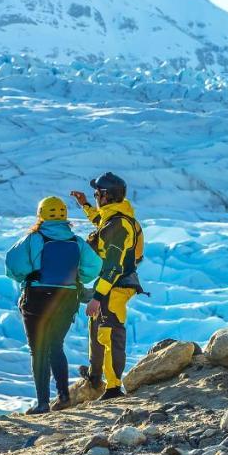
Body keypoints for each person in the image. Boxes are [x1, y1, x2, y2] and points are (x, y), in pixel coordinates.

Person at [4, 196, 101, 414]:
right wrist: (76, 278)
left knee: (38, 349)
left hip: (36, 297)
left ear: (41, 215)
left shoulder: (33, 239)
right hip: (66, 298)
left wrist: (28, 276)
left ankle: (42, 403)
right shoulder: (76, 242)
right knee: (56, 346)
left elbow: (12, 264)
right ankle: (64, 396)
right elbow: (94, 266)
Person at [70, 172, 144, 401]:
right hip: (111, 285)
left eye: (96, 194)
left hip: (116, 286)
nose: (95, 196)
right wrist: (85, 205)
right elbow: (101, 222)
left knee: (109, 333)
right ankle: (95, 377)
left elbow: (113, 267)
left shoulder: (119, 225)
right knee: (97, 330)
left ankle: (113, 388)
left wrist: (98, 297)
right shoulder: (116, 217)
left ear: (105, 195)